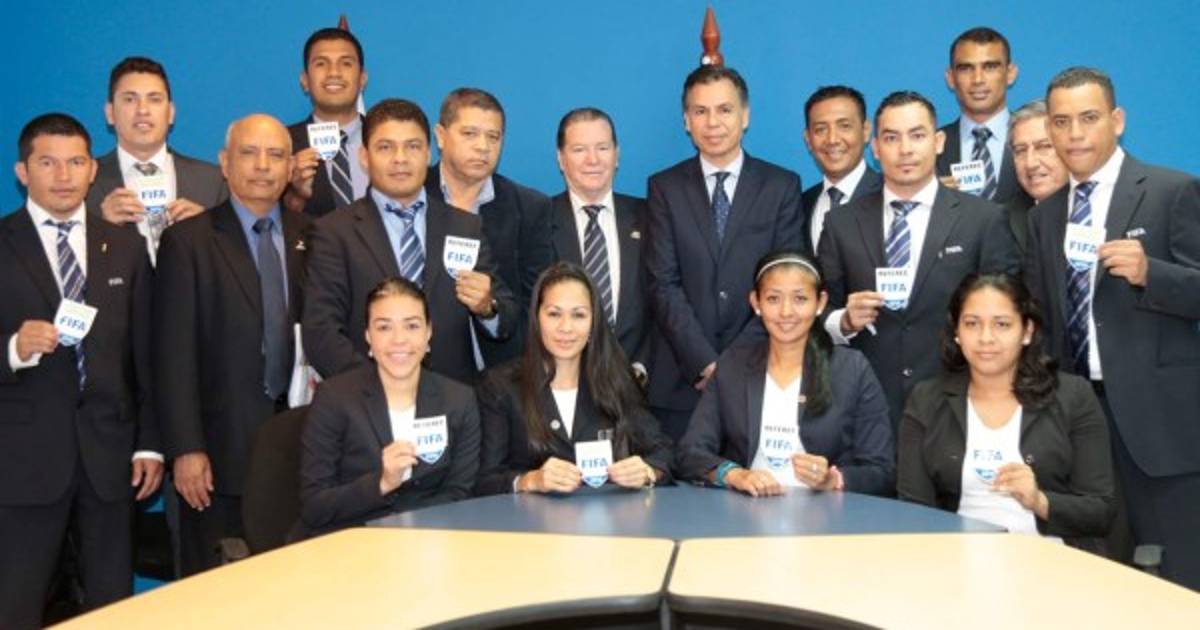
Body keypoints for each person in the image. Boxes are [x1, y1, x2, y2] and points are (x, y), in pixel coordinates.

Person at [1026, 66, 1200, 588]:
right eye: (1061, 122)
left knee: (1179, 577)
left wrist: (1153, 274)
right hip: (1079, 417)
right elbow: (1045, 318)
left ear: (1117, 120)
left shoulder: (1171, 191)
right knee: (1098, 576)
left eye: (1089, 118)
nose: (1075, 134)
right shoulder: (1044, 216)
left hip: (1159, 426)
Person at [1, 113, 161, 628]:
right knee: (15, 605)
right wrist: (12, 348)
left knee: (112, 608)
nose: (63, 176)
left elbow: (146, 355)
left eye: (75, 163)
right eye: (48, 163)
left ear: (94, 170)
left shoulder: (126, 247)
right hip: (22, 464)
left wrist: (150, 443)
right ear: (22, 171)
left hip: (109, 460)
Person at [155, 114, 312, 576]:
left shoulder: (313, 236)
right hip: (216, 456)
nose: (263, 165)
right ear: (225, 163)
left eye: (276, 155)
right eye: (249, 153)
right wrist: (186, 448)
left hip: (298, 450)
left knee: (291, 587)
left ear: (290, 168)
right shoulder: (188, 241)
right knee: (215, 592)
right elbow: (172, 355)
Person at [818, 90, 1020, 429]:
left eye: (917, 135)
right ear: (875, 148)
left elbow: (1009, 312)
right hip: (867, 407)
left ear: (938, 142)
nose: (905, 149)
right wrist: (845, 321)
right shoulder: (842, 223)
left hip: (959, 404)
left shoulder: (983, 219)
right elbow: (818, 309)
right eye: (891, 138)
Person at [303, 98, 519, 384]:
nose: (400, 158)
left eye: (413, 146)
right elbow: (321, 332)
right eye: (386, 147)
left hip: (451, 396)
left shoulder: (464, 226)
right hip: (367, 398)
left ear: (429, 154)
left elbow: (506, 314)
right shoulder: (334, 232)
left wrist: (487, 307)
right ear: (364, 157)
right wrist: (379, 388)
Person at [898, 273, 1115, 552]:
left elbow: (1101, 511)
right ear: (956, 332)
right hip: (955, 560)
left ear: (1027, 331)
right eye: (972, 324)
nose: (986, 338)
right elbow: (913, 512)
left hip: (1052, 561)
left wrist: (1040, 501)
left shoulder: (1073, 396)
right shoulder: (926, 400)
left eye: (1001, 324)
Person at [646, 64, 803, 441]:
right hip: (683, 381)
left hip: (759, 373)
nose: (712, 122)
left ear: (745, 116)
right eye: (700, 111)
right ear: (686, 121)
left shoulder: (780, 186)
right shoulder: (664, 187)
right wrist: (704, 362)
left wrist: (732, 366)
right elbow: (663, 284)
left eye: (725, 110)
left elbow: (783, 285)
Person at [677, 251, 893, 496]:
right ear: (756, 303)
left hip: (826, 515)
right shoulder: (733, 365)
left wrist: (832, 480)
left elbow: (882, 471)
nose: (786, 312)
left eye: (800, 299)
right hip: (744, 511)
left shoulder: (852, 369)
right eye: (773, 299)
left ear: (820, 303)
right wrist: (735, 475)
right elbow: (691, 452)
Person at [300, 278, 480, 537]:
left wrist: (409, 532)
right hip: (350, 541)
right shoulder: (334, 398)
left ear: (428, 333)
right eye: (384, 327)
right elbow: (314, 505)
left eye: (412, 326)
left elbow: (460, 494)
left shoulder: (459, 400)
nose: (399, 340)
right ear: (368, 337)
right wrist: (382, 483)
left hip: (429, 541)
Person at [476, 262, 672, 495]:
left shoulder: (615, 380)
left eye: (578, 315)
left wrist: (647, 472)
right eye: (554, 314)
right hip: (529, 518)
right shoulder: (500, 386)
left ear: (593, 323)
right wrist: (529, 480)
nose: (566, 327)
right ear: (536, 319)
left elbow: (664, 453)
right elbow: (485, 481)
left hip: (608, 516)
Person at [425, 87, 554, 368]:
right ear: (441, 136)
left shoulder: (530, 208)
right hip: (424, 371)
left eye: (493, 137)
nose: (482, 146)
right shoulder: (413, 197)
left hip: (503, 374)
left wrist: (491, 309)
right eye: (469, 133)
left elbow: (537, 306)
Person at [87, 56, 227, 263]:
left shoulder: (213, 181)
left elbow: (236, 263)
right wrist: (102, 229)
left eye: (154, 99)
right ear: (110, 113)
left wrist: (207, 232)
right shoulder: (83, 183)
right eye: (130, 99)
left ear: (171, 113)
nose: (142, 110)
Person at [550, 107, 651, 378]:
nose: (592, 160)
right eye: (579, 149)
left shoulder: (651, 216)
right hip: (560, 381)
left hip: (637, 383)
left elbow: (664, 300)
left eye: (602, 148)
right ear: (561, 159)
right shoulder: (539, 220)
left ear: (617, 155)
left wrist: (642, 367)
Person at [934, 27, 1030, 206]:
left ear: (1010, 73)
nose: (978, 79)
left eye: (990, 67)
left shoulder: (1040, 141)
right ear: (951, 78)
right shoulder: (929, 148)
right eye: (966, 68)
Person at [284, 28, 369, 217]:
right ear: (305, 80)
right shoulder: (281, 146)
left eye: (346, 63)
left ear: (362, 79)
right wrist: (296, 195)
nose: (334, 73)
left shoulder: (388, 142)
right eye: (321, 64)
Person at [800, 86, 882, 257]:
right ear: (808, 139)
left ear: (866, 131)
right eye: (820, 129)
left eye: (844, 126)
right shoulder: (800, 204)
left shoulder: (890, 194)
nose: (832, 139)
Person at [1005, 99, 1069, 253]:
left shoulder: (1103, 206)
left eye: (1044, 147)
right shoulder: (1001, 222)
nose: (1030, 163)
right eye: (1020, 150)